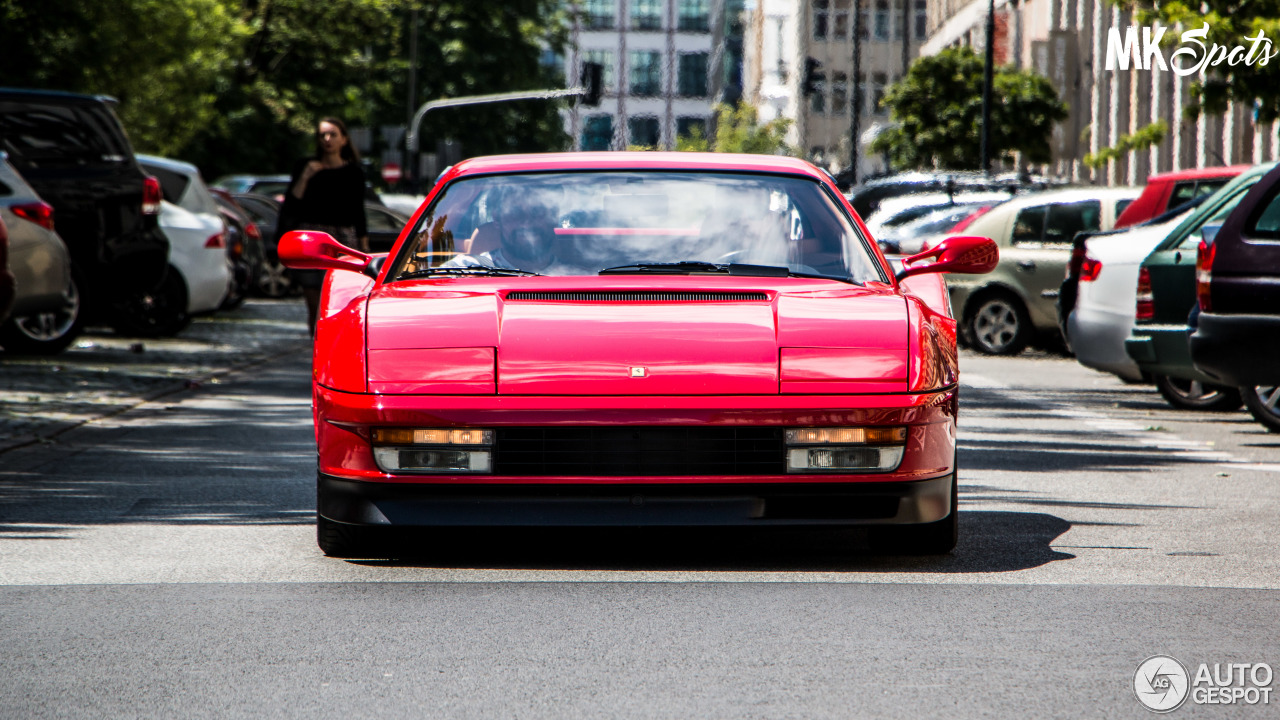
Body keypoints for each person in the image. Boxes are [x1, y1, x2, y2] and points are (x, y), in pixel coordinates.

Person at [277, 117, 368, 331]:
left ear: (344, 139)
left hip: (342, 238)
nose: (327, 139)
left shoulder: (354, 172)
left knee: (343, 297)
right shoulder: (305, 166)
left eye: (333, 134)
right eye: (323, 135)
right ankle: (317, 346)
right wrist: (307, 176)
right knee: (313, 299)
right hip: (311, 237)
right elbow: (292, 202)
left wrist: (363, 243)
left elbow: (358, 211)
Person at [445, 188, 561, 273]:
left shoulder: (576, 276)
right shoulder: (464, 270)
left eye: (537, 211)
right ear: (497, 219)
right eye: (515, 212)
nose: (526, 222)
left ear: (554, 218)